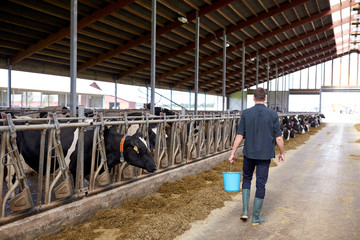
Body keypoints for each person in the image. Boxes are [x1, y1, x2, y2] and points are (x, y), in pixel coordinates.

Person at [228, 87, 285, 226]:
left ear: (253, 98)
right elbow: (278, 138)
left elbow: (239, 135)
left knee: (247, 179)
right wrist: (282, 152)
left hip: (249, 154)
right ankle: (255, 217)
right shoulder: (273, 115)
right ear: (265, 98)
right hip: (265, 156)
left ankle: (245, 211)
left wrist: (232, 153)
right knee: (261, 183)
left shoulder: (246, 113)